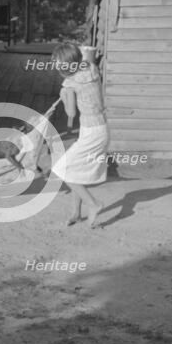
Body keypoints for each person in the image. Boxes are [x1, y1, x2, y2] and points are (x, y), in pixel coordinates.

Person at [50, 43, 108, 228]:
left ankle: (94, 204)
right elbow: (87, 55)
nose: (57, 67)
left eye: (59, 64)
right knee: (77, 172)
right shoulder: (91, 68)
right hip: (99, 128)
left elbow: (71, 113)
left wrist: (65, 94)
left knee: (63, 169)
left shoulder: (71, 84)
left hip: (92, 131)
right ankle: (76, 212)